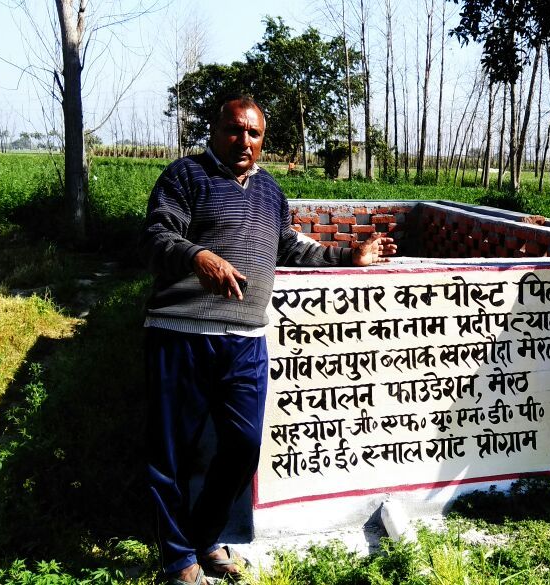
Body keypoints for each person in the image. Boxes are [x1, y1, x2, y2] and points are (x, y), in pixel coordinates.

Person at [139, 95, 396, 585]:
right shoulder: (184, 177)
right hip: (180, 334)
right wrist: (199, 257)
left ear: (264, 140)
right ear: (215, 131)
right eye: (235, 130)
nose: (244, 142)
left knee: (242, 446)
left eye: (254, 134)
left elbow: (296, 247)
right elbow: (154, 237)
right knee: (171, 452)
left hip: (245, 342)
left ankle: (202, 535)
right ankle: (180, 560)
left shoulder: (270, 192)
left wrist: (352, 256)